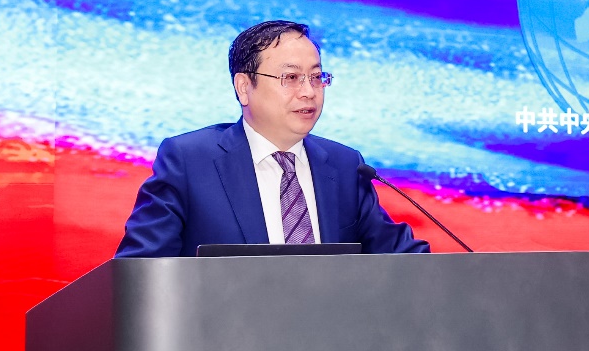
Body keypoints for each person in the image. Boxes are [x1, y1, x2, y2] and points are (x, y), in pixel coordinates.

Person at [116, 20, 429, 256]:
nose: (308, 91)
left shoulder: (345, 165)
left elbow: (402, 259)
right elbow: (140, 270)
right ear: (244, 87)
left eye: (316, 77)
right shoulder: (189, 160)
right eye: (291, 77)